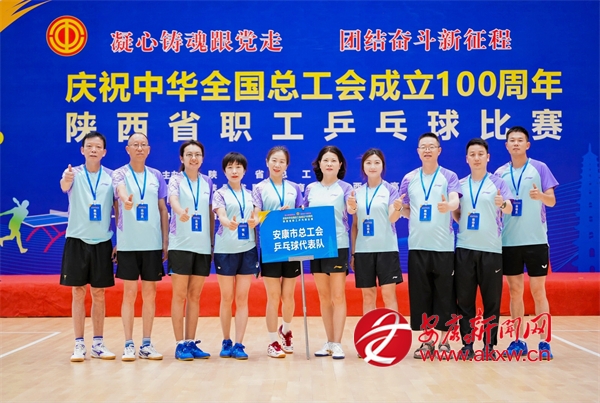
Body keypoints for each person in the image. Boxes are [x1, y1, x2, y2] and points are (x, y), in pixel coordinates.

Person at [494, 126, 558, 360]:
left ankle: (544, 342)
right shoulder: (500, 173)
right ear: (506, 145)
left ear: (527, 144)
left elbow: (552, 201)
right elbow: (497, 205)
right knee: (515, 292)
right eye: (512, 140)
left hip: (536, 241)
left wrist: (540, 196)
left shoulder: (539, 168)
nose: (516, 143)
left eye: (520, 140)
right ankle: (517, 340)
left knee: (538, 291)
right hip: (509, 241)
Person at [398, 133, 462, 358]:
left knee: (445, 295)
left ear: (439, 150)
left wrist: (449, 206)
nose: (427, 150)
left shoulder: (449, 176)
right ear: (418, 151)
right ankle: (426, 342)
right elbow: (406, 208)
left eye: (431, 146)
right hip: (417, 246)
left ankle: (444, 342)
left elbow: (455, 199)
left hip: (443, 246)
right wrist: (400, 210)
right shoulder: (409, 178)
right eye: (423, 147)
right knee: (421, 295)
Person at [452, 138, 513, 360]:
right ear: (466, 159)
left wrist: (502, 204)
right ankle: (467, 345)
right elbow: (456, 213)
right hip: (465, 249)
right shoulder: (459, 185)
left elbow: (509, 208)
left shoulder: (498, 183)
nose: (476, 158)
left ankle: (489, 345)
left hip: (491, 250)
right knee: (465, 300)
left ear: (488, 157)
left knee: (491, 301)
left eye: (480, 154)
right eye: (472, 154)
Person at [59, 131, 116, 362]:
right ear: (82, 150)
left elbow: (118, 208)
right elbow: (64, 186)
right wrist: (66, 179)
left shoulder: (112, 177)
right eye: (89, 146)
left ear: (104, 152)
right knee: (78, 291)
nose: (93, 150)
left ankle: (98, 344)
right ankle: (79, 343)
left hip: (102, 241)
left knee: (99, 294)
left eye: (98, 147)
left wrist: (119, 241)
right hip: (77, 240)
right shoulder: (73, 173)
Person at [112, 133, 169, 361]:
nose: (139, 148)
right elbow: (119, 191)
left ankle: (146, 343)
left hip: (152, 244)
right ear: (127, 149)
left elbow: (163, 209)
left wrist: (165, 241)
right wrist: (126, 199)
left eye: (143, 145)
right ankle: (128, 344)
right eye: (135, 145)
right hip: (128, 244)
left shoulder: (156, 176)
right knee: (129, 294)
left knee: (150, 294)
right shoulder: (119, 174)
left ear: (149, 149)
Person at [252, 146, 303, 358]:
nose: (277, 165)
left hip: (291, 246)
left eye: (282, 161)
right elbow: (255, 217)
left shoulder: (294, 188)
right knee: (273, 297)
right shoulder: (259, 188)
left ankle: (286, 330)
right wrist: (273, 215)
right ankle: (273, 341)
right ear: (267, 162)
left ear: (287, 165)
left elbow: (302, 214)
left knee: (288, 296)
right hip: (270, 248)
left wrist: (292, 214)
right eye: (274, 160)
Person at [304, 146, 353, 360]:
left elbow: (351, 210)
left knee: (338, 295)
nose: (330, 163)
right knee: (324, 296)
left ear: (340, 164)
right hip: (316, 245)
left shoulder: (346, 188)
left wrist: (353, 206)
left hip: (337, 245)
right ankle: (329, 341)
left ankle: (338, 343)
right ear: (319, 164)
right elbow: (304, 213)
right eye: (326, 160)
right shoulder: (310, 189)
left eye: (334, 160)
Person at [167, 140, 213, 361]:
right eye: (189, 154)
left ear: (202, 159)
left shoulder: (208, 182)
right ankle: (179, 344)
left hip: (202, 246)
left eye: (197, 155)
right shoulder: (175, 180)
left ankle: (190, 342)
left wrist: (211, 244)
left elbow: (210, 213)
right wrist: (180, 212)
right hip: (180, 245)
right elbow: (173, 200)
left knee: (195, 296)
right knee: (179, 295)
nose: (193, 158)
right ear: (182, 158)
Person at [213, 152, 259, 360]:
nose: (234, 171)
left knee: (242, 298)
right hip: (225, 249)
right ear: (224, 171)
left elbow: (257, 215)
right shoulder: (219, 193)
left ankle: (239, 343)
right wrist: (226, 222)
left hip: (247, 249)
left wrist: (256, 221)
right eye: (230, 167)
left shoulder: (251, 194)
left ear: (244, 171)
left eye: (238, 167)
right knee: (226, 297)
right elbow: (221, 214)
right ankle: (226, 340)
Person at [346, 148, 403, 315]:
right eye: (368, 163)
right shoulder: (357, 192)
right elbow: (355, 225)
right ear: (363, 166)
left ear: (382, 166)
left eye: (377, 163)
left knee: (388, 294)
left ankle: (392, 330)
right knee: (368, 296)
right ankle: (370, 331)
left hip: (387, 249)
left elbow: (392, 218)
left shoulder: (390, 190)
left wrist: (397, 209)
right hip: (364, 251)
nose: (372, 166)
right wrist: (354, 253)